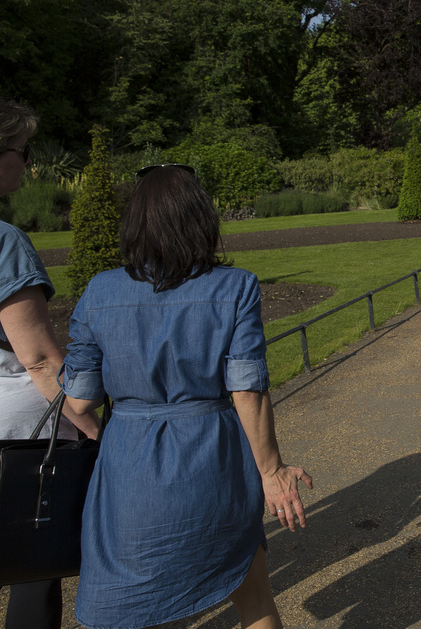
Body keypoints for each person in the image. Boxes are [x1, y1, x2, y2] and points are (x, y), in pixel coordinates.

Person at [61, 164, 312, 629]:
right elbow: (247, 391)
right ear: (201, 218)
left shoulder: (99, 291)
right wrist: (272, 471)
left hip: (130, 471)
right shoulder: (234, 287)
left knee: (144, 609)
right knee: (254, 598)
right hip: (213, 460)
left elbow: (77, 402)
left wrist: (117, 432)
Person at [0, 99, 100, 629]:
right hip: (16, 430)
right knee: (31, 563)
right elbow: (39, 360)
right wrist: (93, 427)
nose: (27, 163)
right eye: (23, 150)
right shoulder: (4, 242)